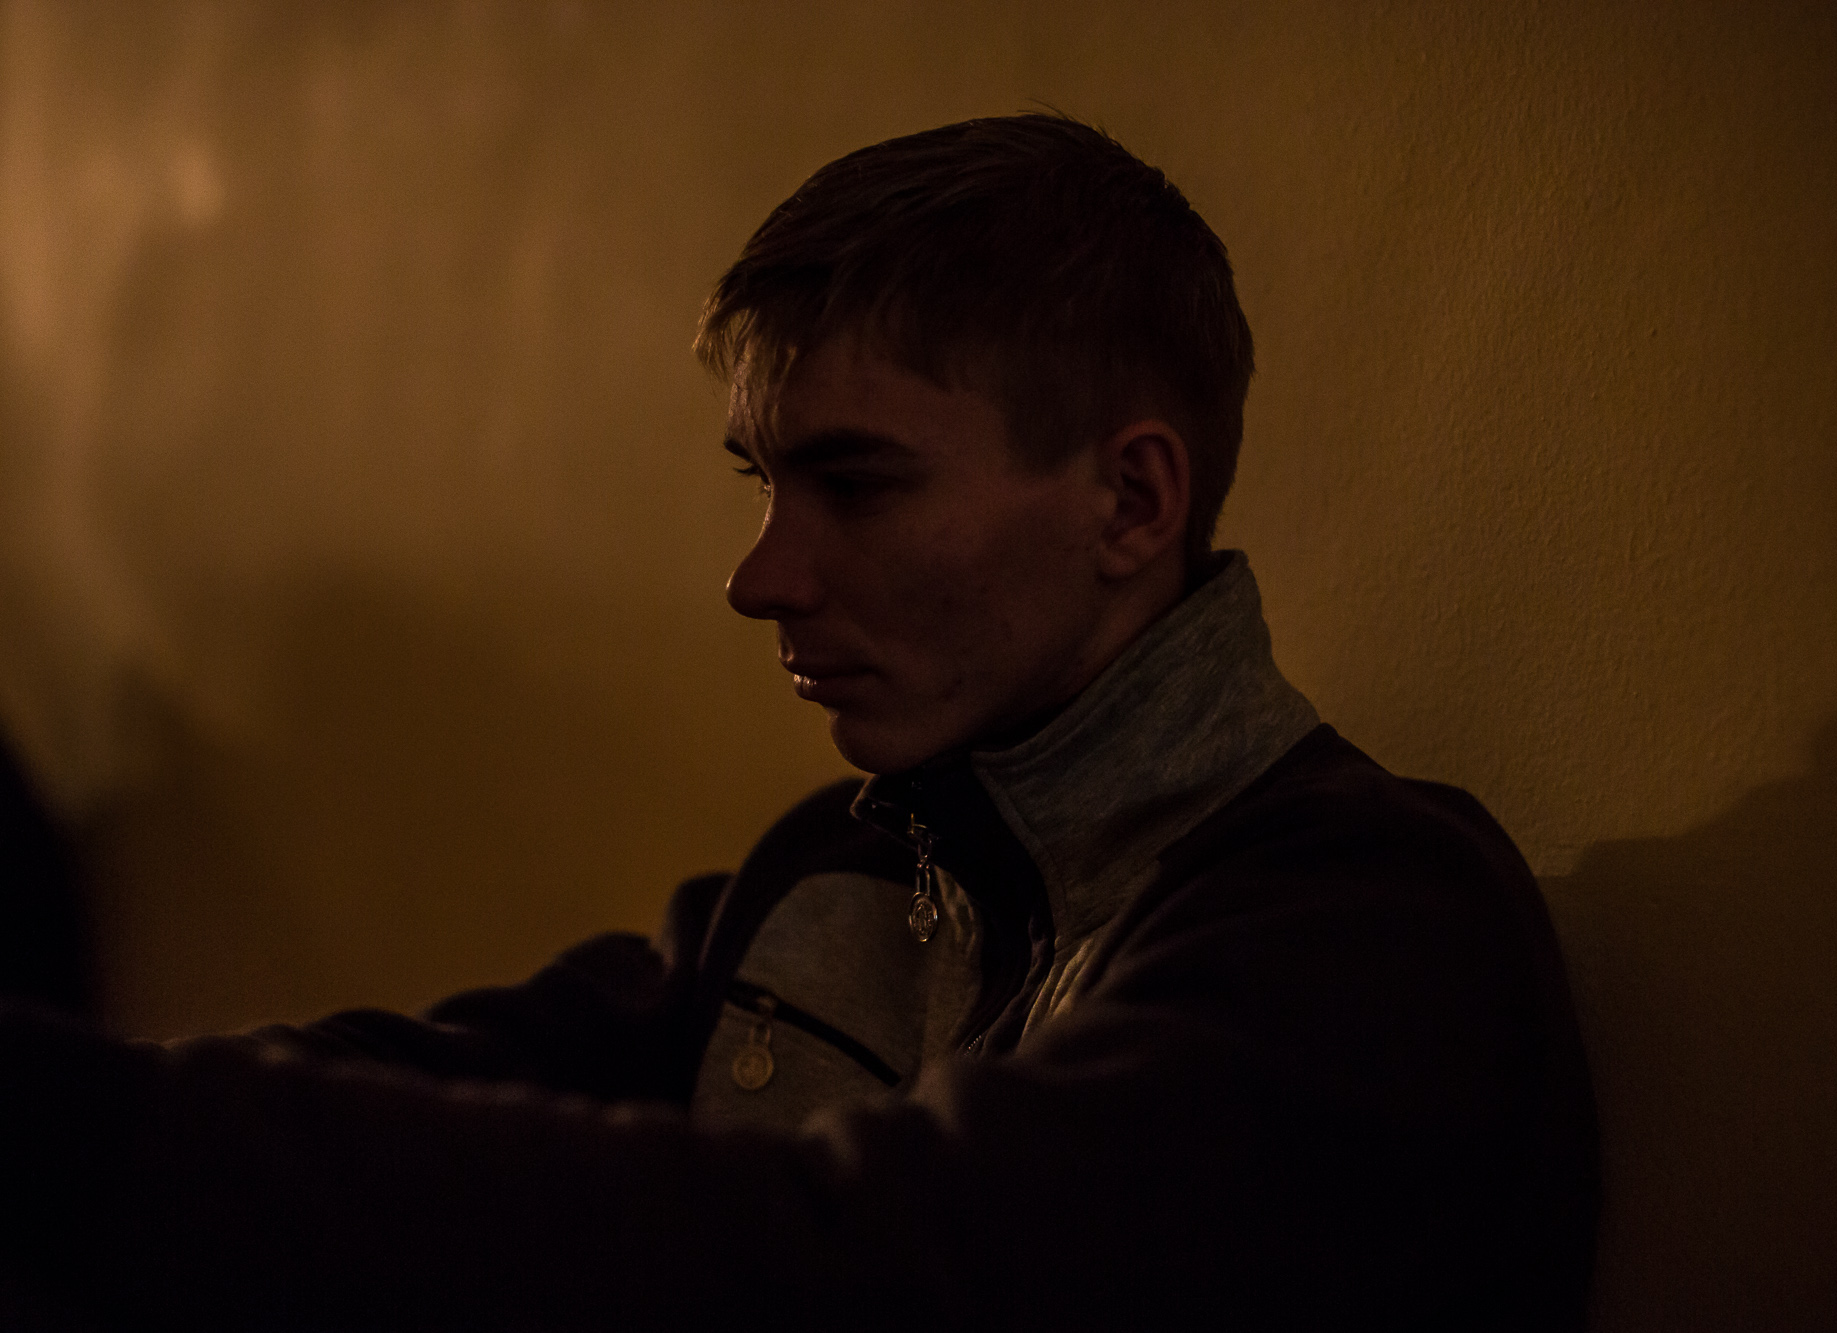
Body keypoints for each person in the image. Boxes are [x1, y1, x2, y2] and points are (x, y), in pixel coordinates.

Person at [0, 114, 1597, 1330]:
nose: (762, 576)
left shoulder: (1371, 922)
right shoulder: (848, 867)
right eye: (766, 484)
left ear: (1131, 497)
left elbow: (861, 1260)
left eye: (856, 482)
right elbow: (478, 1082)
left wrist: (88, 1144)